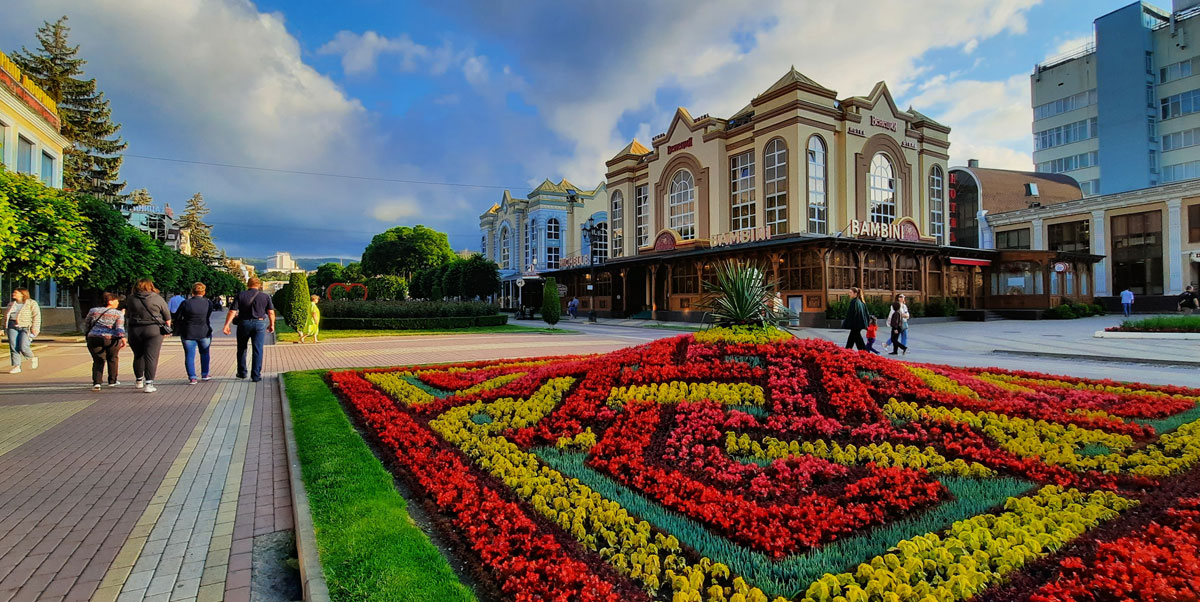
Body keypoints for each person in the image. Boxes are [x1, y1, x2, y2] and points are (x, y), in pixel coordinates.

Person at [223, 277, 276, 382]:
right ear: (259, 285)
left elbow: (232, 311)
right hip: (260, 323)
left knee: (242, 348)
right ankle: (256, 375)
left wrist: (227, 325)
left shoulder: (241, 295)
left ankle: (242, 372)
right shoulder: (265, 296)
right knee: (258, 349)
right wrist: (272, 324)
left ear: (248, 284)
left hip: (244, 323)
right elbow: (271, 312)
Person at [126, 279, 171, 393]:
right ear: (151, 286)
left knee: (138, 355)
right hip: (153, 330)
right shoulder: (157, 298)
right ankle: (149, 384)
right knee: (151, 357)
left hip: (134, 329)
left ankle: (138, 381)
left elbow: (127, 314)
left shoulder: (131, 298)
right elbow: (167, 315)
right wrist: (167, 329)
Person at [84, 292, 126, 390]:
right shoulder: (118, 313)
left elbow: (87, 324)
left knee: (98, 360)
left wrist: (87, 335)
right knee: (112, 358)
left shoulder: (93, 310)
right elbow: (119, 327)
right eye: (116, 301)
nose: (118, 303)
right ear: (110, 301)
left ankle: (97, 383)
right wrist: (122, 337)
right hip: (111, 339)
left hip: (94, 337)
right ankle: (112, 381)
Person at [174, 282, 214, 384]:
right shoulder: (208, 303)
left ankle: (192, 377)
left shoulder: (185, 303)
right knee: (205, 353)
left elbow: (177, 317)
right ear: (204, 292)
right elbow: (208, 316)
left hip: (188, 332)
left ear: (192, 291)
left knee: (189, 355)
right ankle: (205, 374)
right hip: (204, 331)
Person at [5, 287, 41, 374]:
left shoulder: (31, 303)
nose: (13, 294)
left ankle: (32, 357)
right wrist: (3, 328)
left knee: (23, 346)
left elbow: (36, 316)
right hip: (12, 326)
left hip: (25, 327)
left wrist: (35, 328)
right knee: (13, 346)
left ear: (22, 294)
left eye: (16, 292)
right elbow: (7, 317)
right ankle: (17, 366)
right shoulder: (11, 304)